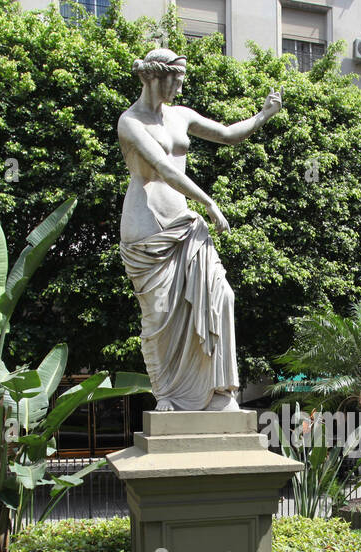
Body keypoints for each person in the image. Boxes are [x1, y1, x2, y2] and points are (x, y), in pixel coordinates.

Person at [117, 49, 282, 412]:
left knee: (221, 296)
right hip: (147, 228)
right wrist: (208, 203)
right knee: (159, 316)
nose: (178, 88)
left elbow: (227, 134)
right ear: (154, 78)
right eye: (174, 81)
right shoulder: (130, 122)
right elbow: (163, 168)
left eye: (181, 81)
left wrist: (264, 114)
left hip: (184, 225)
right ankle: (169, 396)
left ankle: (217, 392)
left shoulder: (181, 116)